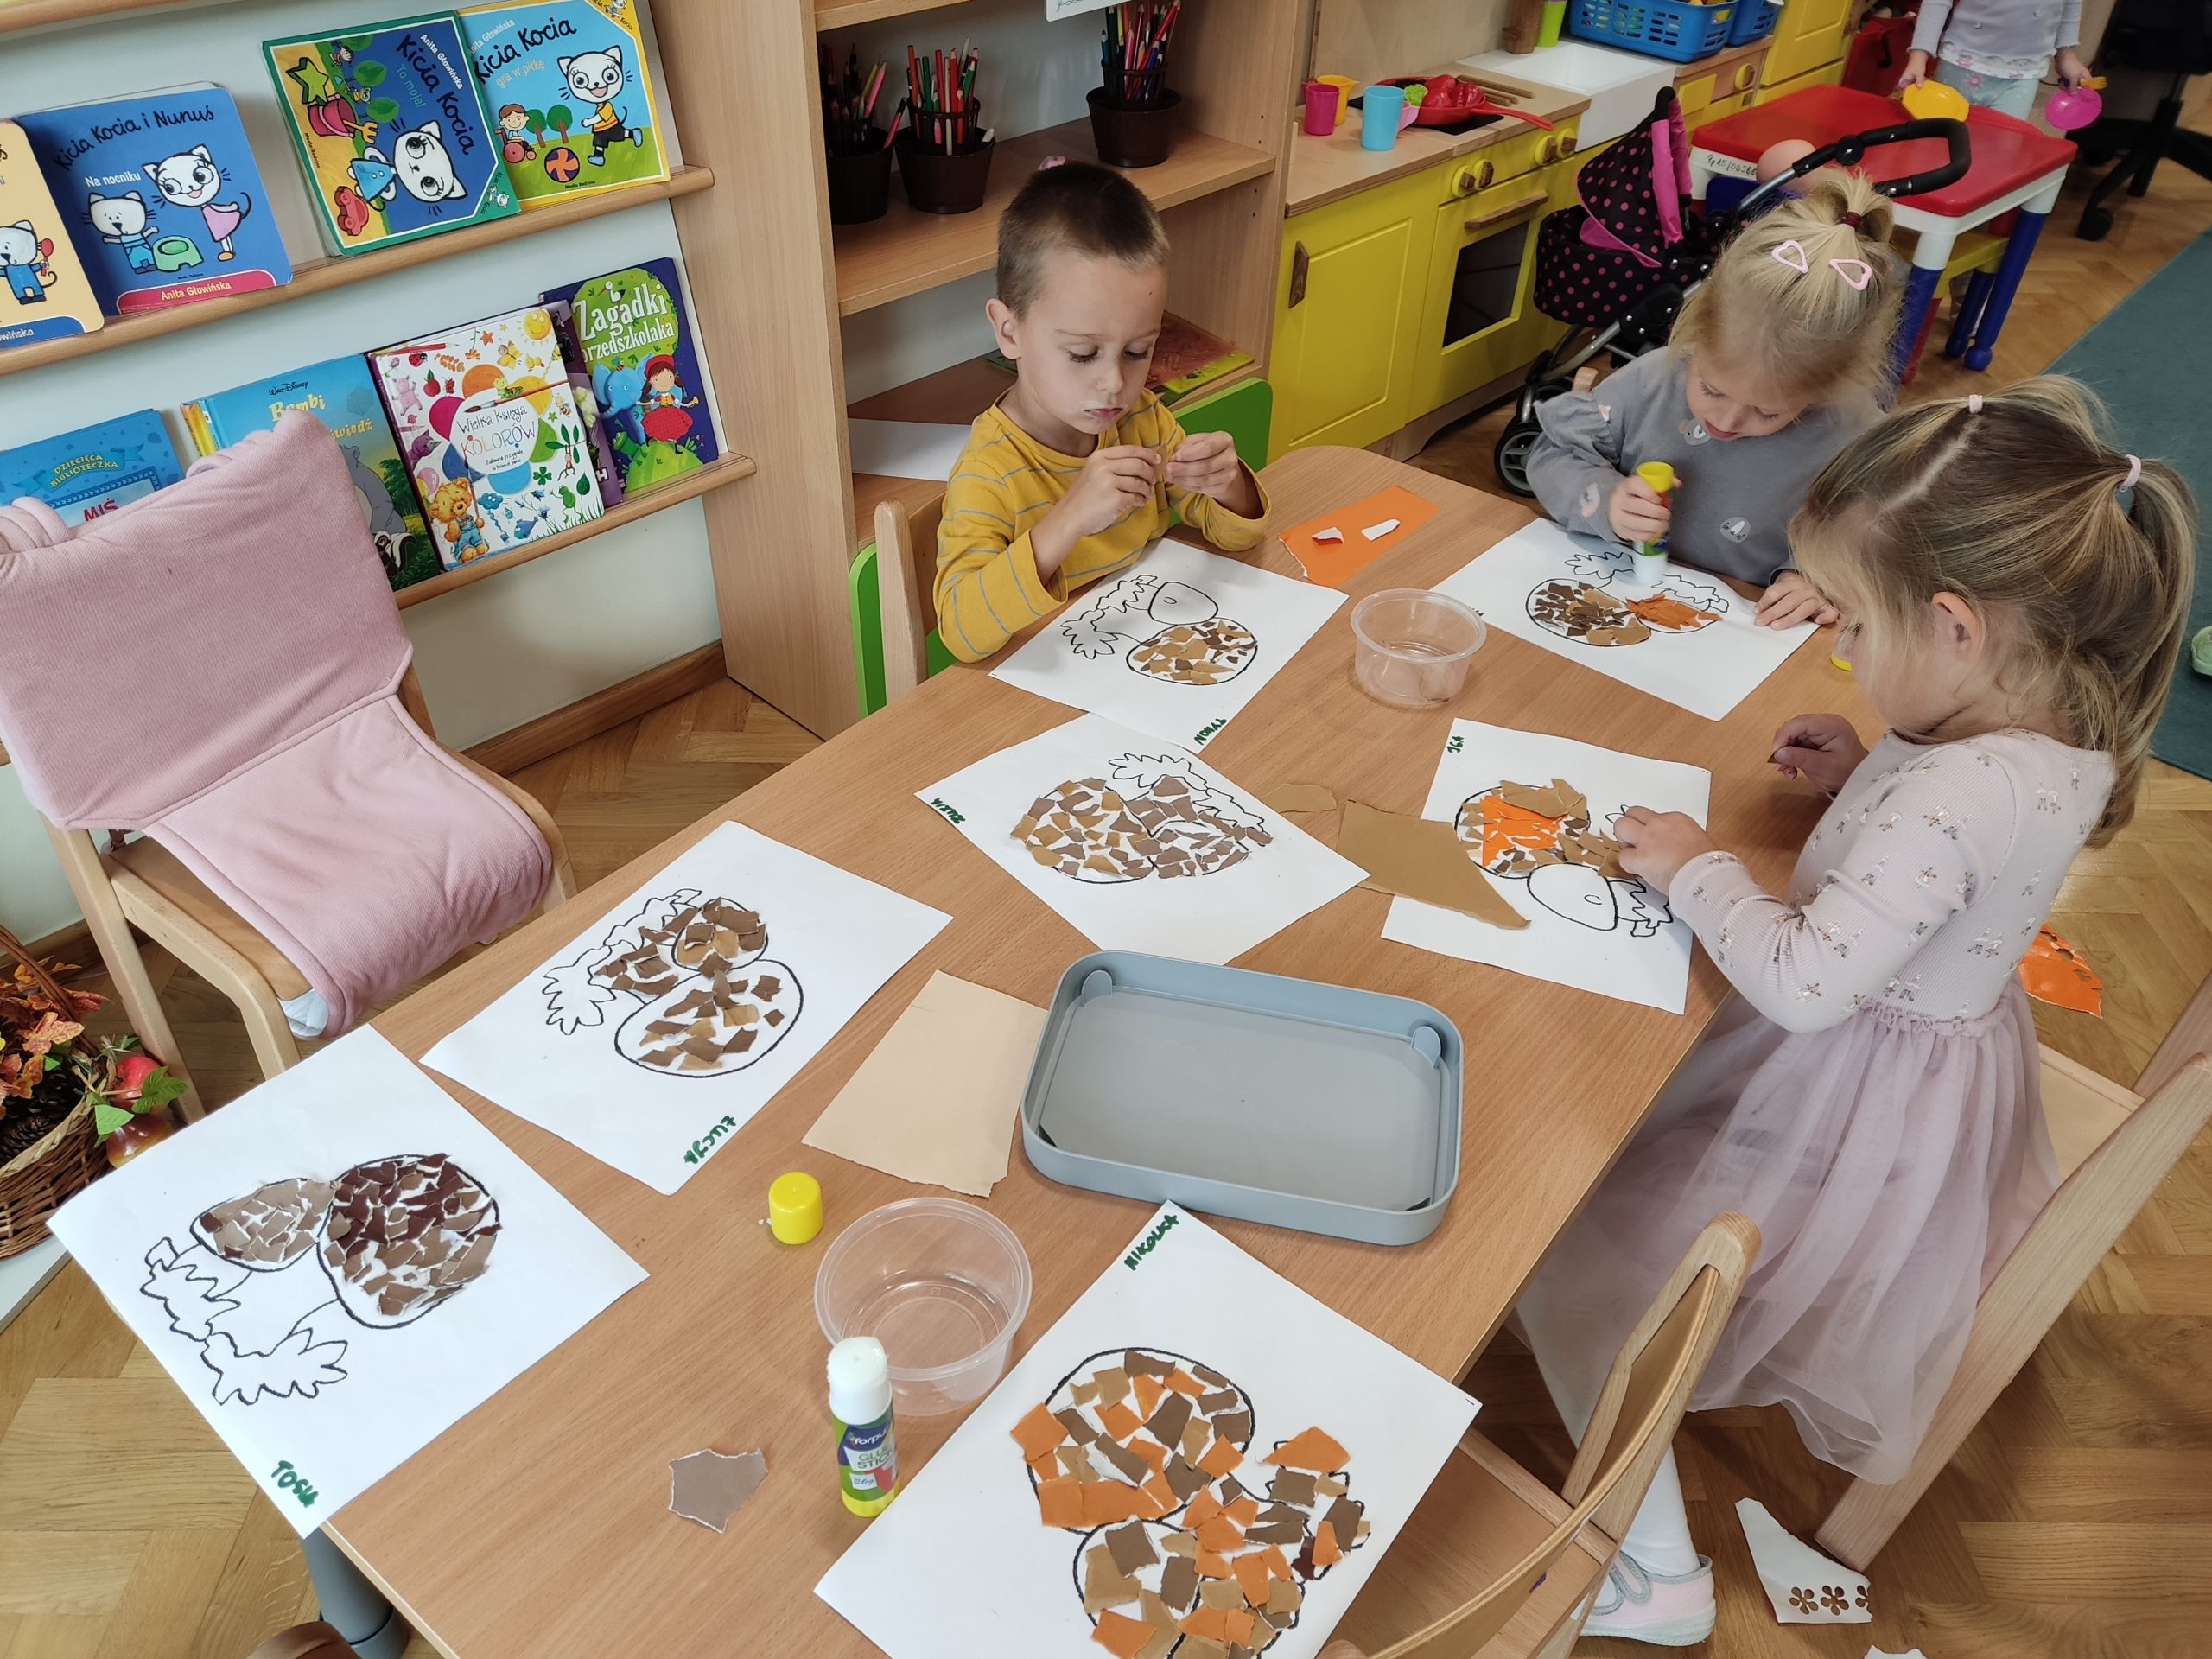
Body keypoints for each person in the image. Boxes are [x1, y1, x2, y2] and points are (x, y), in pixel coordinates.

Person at [1514, 377, 2196, 1645]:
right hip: (1922, 1077)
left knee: (1572, 1265)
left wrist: (1697, 868)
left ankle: (1654, 1566)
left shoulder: (1960, 791)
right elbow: (1952, 847)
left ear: (1955, 629)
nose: (1841, 650)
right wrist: (1862, 774)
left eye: (1856, 625)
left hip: (1843, 1100)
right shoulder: (2051, 717)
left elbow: (1806, 982)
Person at [1525, 172, 1902, 628]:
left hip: (1743, 627)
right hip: (1618, 595)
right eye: (1711, 389)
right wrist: (1607, 502)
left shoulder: (1854, 437)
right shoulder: (1655, 379)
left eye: (1767, 411)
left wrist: (1816, 580)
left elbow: (1872, 547)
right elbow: (1552, 455)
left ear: (1829, 389)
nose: (1726, 420)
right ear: (1693, 333)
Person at [934, 162, 1267, 663]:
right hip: (1048, 681)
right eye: (1083, 353)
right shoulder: (990, 474)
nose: (1115, 383)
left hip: (1139, 650)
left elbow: (1237, 536)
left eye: (1137, 351)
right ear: (1009, 332)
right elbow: (962, 633)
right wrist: (1069, 518)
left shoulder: (1142, 421)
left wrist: (1228, 485)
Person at [1897, 0, 2088, 119]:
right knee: (1940, 141)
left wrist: (2066, 53)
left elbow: (2071, 4)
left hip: (2023, 75)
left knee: (2000, 151)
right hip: (1960, 63)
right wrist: (1919, 55)